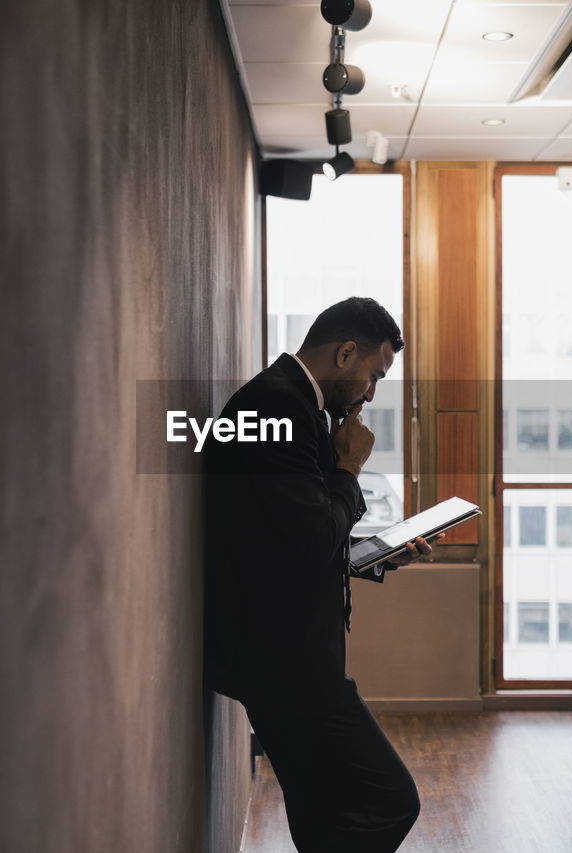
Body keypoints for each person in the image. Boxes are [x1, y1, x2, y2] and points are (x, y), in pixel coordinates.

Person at [204, 296, 438, 852]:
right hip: (283, 661)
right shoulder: (277, 409)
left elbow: (283, 537)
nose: (371, 393)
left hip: (281, 654)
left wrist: (370, 554)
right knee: (389, 800)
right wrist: (348, 468)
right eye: (373, 375)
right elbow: (308, 538)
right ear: (346, 353)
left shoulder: (293, 407)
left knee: (323, 812)